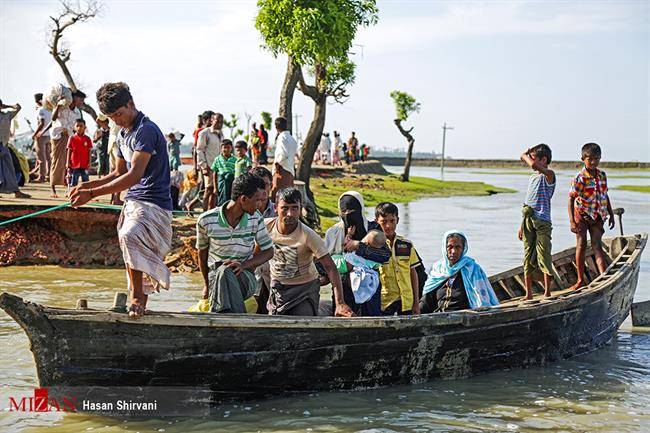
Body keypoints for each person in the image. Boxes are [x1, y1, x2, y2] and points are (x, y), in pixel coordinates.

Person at [70, 82, 173, 317]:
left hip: (154, 202)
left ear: (131, 104)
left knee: (130, 236)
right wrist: (86, 185)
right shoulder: (122, 133)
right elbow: (117, 172)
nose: (116, 120)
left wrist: (93, 194)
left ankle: (138, 298)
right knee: (127, 240)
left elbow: (134, 174)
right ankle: (137, 297)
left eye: (119, 114)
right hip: (134, 200)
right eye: (111, 117)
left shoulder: (146, 130)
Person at [265, 187, 354, 317]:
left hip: (304, 289)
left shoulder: (308, 235)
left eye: (294, 208)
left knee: (302, 322)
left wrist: (340, 303)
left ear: (300, 209)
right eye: (285, 208)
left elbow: (331, 268)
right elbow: (257, 255)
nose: (289, 213)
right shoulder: (266, 227)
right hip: (278, 289)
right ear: (275, 208)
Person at [196, 173, 274, 313]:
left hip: (245, 278)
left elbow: (269, 251)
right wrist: (207, 285)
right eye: (257, 200)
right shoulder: (206, 220)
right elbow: (202, 255)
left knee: (225, 271)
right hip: (215, 276)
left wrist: (244, 265)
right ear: (243, 199)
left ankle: (221, 318)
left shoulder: (256, 218)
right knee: (223, 271)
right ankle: (237, 318)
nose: (259, 205)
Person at [324, 191, 391, 316]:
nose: (348, 215)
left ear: (361, 209)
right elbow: (323, 262)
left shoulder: (373, 228)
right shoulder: (333, 233)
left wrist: (358, 246)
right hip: (343, 291)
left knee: (371, 323)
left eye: (352, 211)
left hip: (370, 288)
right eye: (344, 212)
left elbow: (385, 256)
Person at [568, 142, 615, 291]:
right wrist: (572, 222)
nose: (593, 162)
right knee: (581, 245)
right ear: (583, 159)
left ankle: (603, 277)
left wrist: (611, 214)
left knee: (597, 245)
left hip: (598, 216)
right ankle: (580, 280)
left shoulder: (602, 175)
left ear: (600, 159)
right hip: (581, 215)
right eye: (590, 159)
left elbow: (604, 196)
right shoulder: (579, 178)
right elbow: (570, 199)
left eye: (596, 159)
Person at [420, 231, 500, 313]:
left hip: (464, 315)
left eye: (458, 247)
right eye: (450, 247)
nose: (453, 251)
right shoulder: (438, 270)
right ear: (444, 248)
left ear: (463, 249)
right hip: (439, 315)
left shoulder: (472, 269)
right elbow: (427, 300)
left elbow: (481, 300)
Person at [518, 144, 556, 299]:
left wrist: (524, 154)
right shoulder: (533, 177)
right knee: (527, 256)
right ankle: (529, 294)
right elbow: (528, 202)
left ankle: (547, 292)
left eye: (534, 158)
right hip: (528, 220)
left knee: (544, 255)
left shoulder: (549, 175)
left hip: (542, 222)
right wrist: (521, 225)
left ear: (544, 160)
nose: (530, 162)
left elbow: (532, 164)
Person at [374, 202, 422, 315]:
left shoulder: (406, 245)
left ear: (398, 220)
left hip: (407, 301)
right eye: (384, 222)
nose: (388, 226)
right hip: (385, 302)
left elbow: (413, 273)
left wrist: (416, 302)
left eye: (392, 221)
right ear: (377, 221)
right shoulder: (374, 246)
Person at [331, 230, 386, 312]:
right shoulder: (374, 260)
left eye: (363, 241)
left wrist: (358, 245)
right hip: (358, 292)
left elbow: (343, 264)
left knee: (334, 262)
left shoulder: (357, 256)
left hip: (362, 297)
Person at [46, 89, 86, 198]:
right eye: (80, 99)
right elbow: (53, 118)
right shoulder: (62, 106)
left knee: (69, 163)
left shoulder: (77, 112)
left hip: (70, 137)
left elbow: (77, 126)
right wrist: (58, 106)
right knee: (56, 161)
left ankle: (67, 187)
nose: (81, 102)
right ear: (74, 98)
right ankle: (52, 189)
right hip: (58, 136)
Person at [250, 165, 276, 314]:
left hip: (273, 268)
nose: (262, 190)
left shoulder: (280, 211)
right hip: (250, 266)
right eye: (258, 185)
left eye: (265, 185)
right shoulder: (245, 212)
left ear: (271, 186)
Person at [0, 100, 30, 198]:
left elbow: (18, 107)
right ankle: (16, 191)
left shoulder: (7, 115)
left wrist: (7, 105)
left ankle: (16, 191)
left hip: (4, 145)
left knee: (10, 169)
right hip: (3, 146)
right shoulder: (6, 116)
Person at [196, 112, 223, 210]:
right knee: (208, 189)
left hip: (219, 167)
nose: (220, 124)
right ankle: (203, 213)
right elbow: (199, 150)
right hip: (208, 166)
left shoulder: (221, 134)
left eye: (221, 122)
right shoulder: (205, 133)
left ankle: (210, 212)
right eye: (217, 121)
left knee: (215, 191)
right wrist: (203, 166)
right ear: (212, 120)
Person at [271, 116, 298, 200]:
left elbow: (283, 155)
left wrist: (277, 164)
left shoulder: (282, 137)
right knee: (288, 197)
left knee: (276, 195)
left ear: (276, 127)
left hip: (282, 170)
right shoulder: (292, 139)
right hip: (290, 170)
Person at [66, 119, 93, 187]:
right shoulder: (72, 138)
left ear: (85, 127)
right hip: (74, 164)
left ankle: (85, 195)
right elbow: (69, 150)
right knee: (74, 181)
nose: (79, 128)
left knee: (86, 181)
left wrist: (89, 163)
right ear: (74, 127)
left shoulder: (88, 139)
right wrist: (67, 162)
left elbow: (89, 151)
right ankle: (73, 194)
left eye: (81, 126)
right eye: (77, 126)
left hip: (85, 164)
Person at [31, 93, 52, 182]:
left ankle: (41, 176)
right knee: (48, 157)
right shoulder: (49, 109)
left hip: (41, 135)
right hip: (48, 135)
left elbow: (41, 123)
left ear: (36, 101)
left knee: (41, 157)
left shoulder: (41, 110)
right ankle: (49, 175)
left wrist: (35, 133)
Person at [211, 138, 236, 207]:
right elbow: (215, 173)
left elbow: (236, 172)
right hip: (221, 180)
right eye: (224, 147)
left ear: (231, 148)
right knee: (221, 195)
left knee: (229, 196)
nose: (226, 149)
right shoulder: (217, 159)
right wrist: (215, 188)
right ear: (221, 149)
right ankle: (220, 207)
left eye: (228, 147)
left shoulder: (235, 159)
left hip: (231, 180)